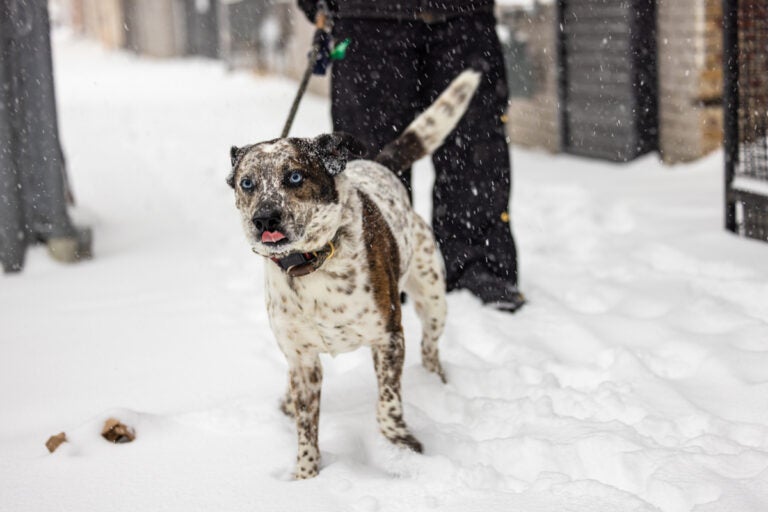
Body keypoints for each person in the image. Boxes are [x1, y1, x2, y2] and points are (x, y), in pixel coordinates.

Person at [297, 0, 525, 313]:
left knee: (476, 154)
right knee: (370, 160)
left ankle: (478, 266)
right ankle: (375, 266)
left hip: (465, 17)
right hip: (366, 18)